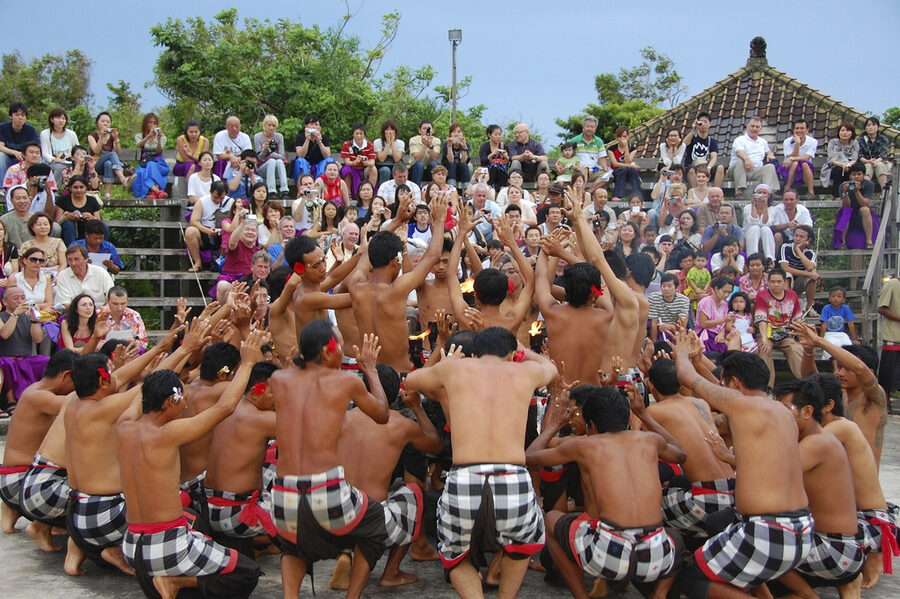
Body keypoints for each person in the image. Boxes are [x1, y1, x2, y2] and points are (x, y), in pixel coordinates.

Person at [405, 327, 555, 598]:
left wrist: (445, 362)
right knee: (521, 547)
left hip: (464, 476)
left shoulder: (455, 370)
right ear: (511, 356)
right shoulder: (525, 371)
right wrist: (525, 351)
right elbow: (550, 368)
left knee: (456, 555)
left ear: (474, 354)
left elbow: (413, 380)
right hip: (513, 475)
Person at [116, 332, 265, 599]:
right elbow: (226, 407)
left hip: (131, 545)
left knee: (197, 523)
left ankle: (171, 581)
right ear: (169, 401)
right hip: (166, 545)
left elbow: (143, 389)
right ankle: (176, 583)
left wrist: (183, 350)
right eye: (181, 398)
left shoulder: (124, 426)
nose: (185, 403)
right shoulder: (167, 434)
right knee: (247, 572)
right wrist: (248, 363)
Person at [672, 343, 814, 598]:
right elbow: (716, 388)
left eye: (725, 384)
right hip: (800, 528)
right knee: (719, 530)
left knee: (692, 577)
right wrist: (699, 359)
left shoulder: (742, 405)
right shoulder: (781, 412)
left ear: (735, 383)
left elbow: (686, 377)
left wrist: (681, 351)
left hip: (769, 531)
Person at [268, 321, 391, 599]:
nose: (343, 350)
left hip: (282, 494)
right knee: (374, 522)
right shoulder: (346, 381)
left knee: (292, 545)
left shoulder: (279, 380)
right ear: (327, 351)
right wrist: (370, 370)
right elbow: (382, 414)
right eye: (339, 344)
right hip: (327, 491)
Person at [527, 384, 685, 597]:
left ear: (591, 425)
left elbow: (530, 456)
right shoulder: (650, 440)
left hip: (609, 554)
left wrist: (555, 424)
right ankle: (659, 594)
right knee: (675, 537)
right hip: (656, 557)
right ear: (628, 418)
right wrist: (645, 415)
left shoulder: (585, 445)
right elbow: (680, 454)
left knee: (552, 518)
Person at [62, 326, 186, 575]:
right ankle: (113, 548)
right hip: (104, 515)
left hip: (75, 514)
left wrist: (161, 348)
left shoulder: (75, 404)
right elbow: (150, 387)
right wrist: (185, 349)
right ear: (102, 380)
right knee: (185, 513)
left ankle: (78, 550)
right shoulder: (102, 409)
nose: (116, 375)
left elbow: (121, 379)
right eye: (110, 371)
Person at [334, 368, 444, 588]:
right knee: (415, 493)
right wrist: (417, 408)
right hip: (371, 521)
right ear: (395, 395)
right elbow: (435, 445)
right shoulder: (401, 425)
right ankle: (390, 572)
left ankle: (345, 552)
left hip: (334, 514)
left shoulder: (341, 418)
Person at [771, 378, 866, 598]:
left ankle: (808, 595)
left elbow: (773, 475)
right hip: (836, 546)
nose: (778, 416)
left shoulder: (816, 442)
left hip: (835, 549)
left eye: (785, 409)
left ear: (807, 412)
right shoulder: (810, 438)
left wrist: (730, 457)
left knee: (758, 537)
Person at [349, 195, 447, 374]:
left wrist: (397, 220)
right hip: (399, 377)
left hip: (369, 376)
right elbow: (434, 255)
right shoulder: (396, 289)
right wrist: (440, 220)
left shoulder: (356, 285)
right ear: (396, 261)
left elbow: (369, 249)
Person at [641, 358, 736, 537]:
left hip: (707, 500)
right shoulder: (701, 404)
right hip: (735, 492)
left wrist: (640, 412)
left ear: (651, 385)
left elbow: (646, 456)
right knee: (675, 485)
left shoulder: (655, 412)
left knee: (647, 505)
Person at [201, 361, 279, 556]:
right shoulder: (262, 420)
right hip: (237, 515)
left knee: (271, 462)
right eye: (274, 393)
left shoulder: (224, 410)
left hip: (208, 508)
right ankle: (272, 543)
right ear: (255, 392)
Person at [790, 322, 888, 470]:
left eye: (848, 369)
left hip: (862, 485)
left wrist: (820, 341)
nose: (840, 373)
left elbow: (860, 368)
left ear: (871, 372)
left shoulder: (874, 399)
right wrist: (809, 349)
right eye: (840, 367)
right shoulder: (838, 394)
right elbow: (810, 378)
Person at [0, 349, 75, 535]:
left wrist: (96, 340)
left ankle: (13, 509)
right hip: (21, 481)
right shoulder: (40, 397)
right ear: (66, 375)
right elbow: (87, 402)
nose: (77, 386)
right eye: (76, 381)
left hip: (14, 479)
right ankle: (43, 525)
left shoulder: (34, 391)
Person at [755, 268, 804, 387]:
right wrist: (765, 338)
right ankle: (767, 388)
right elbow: (761, 319)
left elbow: (797, 319)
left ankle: (806, 383)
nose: (775, 284)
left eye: (778, 281)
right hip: (767, 333)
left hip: (786, 334)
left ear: (784, 282)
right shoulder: (762, 295)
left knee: (796, 349)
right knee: (763, 349)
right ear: (768, 282)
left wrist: (801, 338)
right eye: (772, 281)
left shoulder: (792, 295)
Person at [726, 116, 780, 198]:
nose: (754, 129)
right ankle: (739, 192)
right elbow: (739, 152)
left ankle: (770, 192)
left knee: (770, 167)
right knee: (741, 161)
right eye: (752, 126)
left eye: (757, 127)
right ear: (747, 127)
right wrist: (747, 159)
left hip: (755, 171)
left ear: (760, 129)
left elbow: (768, 151)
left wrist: (769, 153)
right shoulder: (740, 139)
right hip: (737, 171)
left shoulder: (763, 142)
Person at [185, 181, 233, 272]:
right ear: (210, 192)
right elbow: (193, 221)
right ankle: (198, 262)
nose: (218, 200)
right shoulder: (202, 201)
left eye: (221, 198)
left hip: (224, 234)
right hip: (205, 232)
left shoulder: (231, 202)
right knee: (190, 231)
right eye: (215, 197)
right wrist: (207, 230)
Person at [835, 162, 879, 249]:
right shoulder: (843, 186)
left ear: (863, 175)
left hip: (864, 213)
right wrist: (845, 192)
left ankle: (869, 241)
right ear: (850, 176)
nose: (856, 177)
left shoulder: (869, 185)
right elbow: (846, 205)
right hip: (849, 211)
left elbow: (864, 203)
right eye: (854, 174)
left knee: (865, 209)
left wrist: (856, 191)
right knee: (846, 211)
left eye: (859, 174)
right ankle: (842, 242)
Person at [86, 112, 129, 201]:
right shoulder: (92, 136)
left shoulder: (112, 137)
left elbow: (119, 152)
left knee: (108, 163)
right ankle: (122, 179)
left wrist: (116, 138)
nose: (105, 123)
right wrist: (101, 137)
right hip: (95, 164)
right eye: (102, 121)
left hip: (107, 166)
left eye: (108, 122)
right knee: (111, 154)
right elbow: (96, 151)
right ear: (97, 123)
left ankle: (108, 194)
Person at [779, 224, 819, 315]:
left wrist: (798, 250)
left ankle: (809, 307)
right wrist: (808, 274)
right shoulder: (785, 247)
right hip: (784, 282)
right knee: (787, 275)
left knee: (812, 274)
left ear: (808, 240)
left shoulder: (810, 253)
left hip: (799, 284)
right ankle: (788, 306)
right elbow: (785, 268)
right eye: (796, 235)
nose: (797, 239)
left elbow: (810, 267)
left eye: (801, 237)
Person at [56, 175, 103, 246]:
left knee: (104, 227)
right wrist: (66, 217)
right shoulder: (63, 200)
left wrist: (92, 218)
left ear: (86, 188)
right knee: (69, 224)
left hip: (87, 229)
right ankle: (71, 249)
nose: (78, 190)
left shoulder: (92, 200)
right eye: (75, 187)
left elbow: (99, 221)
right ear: (70, 188)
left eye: (81, 187)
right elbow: (57, 221)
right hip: (69, 231)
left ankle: (101, 249)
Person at [132, 113, 169, 199]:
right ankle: (157, 191)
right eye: (150, 122)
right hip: (145, 162)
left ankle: (154, 191)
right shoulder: (139, 135)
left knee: (151, 165)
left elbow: (159, 150)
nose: (152, 124)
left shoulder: (162, 137)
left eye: (154, 122)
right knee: (141, 172)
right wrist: (149, 135)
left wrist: (159, 139)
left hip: (158, 162)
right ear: (146, 123)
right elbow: (139, 145)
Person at [683, 112, 725, 188]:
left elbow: (714, 157)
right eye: (701, 122)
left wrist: (709, 168)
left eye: (705, 122)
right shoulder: (692, 138)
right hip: (692, 167)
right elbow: (684, 144)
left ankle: (716, 192)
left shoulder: (712, 141)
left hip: (705, 167)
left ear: (710, 124)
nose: (703, 124)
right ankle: (694, 193)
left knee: (720, 168)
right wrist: (693, 129)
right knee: (691, 169)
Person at [40, 107, 79, 188]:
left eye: (63, 118)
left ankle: (56, 190)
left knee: (61, 167)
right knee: (58, 166)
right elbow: (45, 153)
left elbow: (78, 149)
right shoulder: (45, 133)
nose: (61, 121)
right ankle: (52, 190)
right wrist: (55, 159)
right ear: (52, 119)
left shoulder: (71, 134)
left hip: (68, 162)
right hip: (51, 162)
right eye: (58, 118)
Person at [0, 102, 39, 183]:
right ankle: (2, 187)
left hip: (25, 158)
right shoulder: (3, 127)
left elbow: (35, 147)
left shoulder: (30, 130)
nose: (20, 118)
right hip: (8, 158)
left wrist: (25, 156)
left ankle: (35, 184)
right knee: (1, 156)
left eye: (23, 115)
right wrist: (15, 153)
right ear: (11, 116)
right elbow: (1, 146)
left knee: (39, 159)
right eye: (17, 115)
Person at [778, 118, 817, 197]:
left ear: (807, 130)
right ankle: (787, 187)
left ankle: (811, 192)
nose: (799, 131)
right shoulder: (787, 141)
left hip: (805, 169)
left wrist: (792, 159)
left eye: (802, 128)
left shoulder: (813, 141)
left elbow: (807, 157)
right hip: (789, 168)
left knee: (804, 164)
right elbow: (789, 156)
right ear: (793, 130)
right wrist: (797, 144)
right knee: (795, 163)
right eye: (797, 128)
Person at [253, 114, 289, 198]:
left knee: (279, 161)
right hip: (262, 167)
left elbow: (282, 156)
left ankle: (285, 191)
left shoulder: (279, 137)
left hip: (277, 168)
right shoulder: (258, 137)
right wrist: (264, 150)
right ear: (264, 125)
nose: (271, 128)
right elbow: (259, 158)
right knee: (272, 161)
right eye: (269, 125)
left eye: (274, 126)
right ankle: (271, 191)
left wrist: (270, 152)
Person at [877, 274, 900, 404]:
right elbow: (881, 308)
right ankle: (886, 403)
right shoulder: (891, 284)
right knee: (887, 376)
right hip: (893, 335)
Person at [568, 116, 610, 187]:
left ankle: (589, 192)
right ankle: (582, 193)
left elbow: (602, 158)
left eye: (592, 127)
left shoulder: (599, 141)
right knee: (585, 168)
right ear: (583, 128)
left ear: (595, 129)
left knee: (609, 176)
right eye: (588, 126)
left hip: (594, 171)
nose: (590, 129)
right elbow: (566, 154)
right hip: (579, 170)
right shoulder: (574, 141)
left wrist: (605, 167)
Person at [697, 276, 735, 353]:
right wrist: (724, 320)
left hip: (720, 333)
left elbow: (724, 325)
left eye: (729, 292)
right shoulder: (705, 302)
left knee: (735, 335)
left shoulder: (725, 304)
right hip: (708, 334)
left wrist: (722, 333)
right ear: (716, 289)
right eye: (724, 291)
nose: (727, 295)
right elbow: (703, 324)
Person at [822, 121, 860, 199]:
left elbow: (854, 158)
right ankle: (837, 196)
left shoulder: (855, 143)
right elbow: (831, 159)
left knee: (857, 169)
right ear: (839, 132)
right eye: (842, 130)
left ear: (852, 133)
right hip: (835, 166)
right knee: (838, 171)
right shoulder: (832, 143)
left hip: (850, 165)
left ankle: (854, 194)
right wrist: (843, 165)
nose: (844, 133)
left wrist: (848, 165)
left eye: (847, 130)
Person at [648, 273, 691, 341]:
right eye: (664, 286)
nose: (666, 289)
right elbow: (654, 321)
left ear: (676, 288)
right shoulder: (654, 297)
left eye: (669, 286)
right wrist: (654, 344)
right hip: (660, 330)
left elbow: (682, 323)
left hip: (676, 331)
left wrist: (670, 327)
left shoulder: (684, 300)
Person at [339, 123, 377, 199]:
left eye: (361, 134)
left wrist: (367, 163)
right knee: (347, 169)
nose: (359, 136)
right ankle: (348, 194)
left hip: (364, 169)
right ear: (353, 134)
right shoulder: (347, 144)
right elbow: (347, 161)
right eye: (356, 133)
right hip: (352, 168)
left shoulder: (369, 145)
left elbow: (372, 162)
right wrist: (355, 162)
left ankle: (370, 192)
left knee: (373, 169)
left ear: (364, 135)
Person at [292, 113, 334, 180]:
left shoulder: (324, 138)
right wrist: (307, 139)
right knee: (300, 161)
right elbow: (300, 156)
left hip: (319, 167)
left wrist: (319, 141)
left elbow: (327, 156)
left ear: (320, 128)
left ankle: (318, 185)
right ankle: (304, 186)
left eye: (316, 124)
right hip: (305, 166)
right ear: (306, 127)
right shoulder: (300, 137)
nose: (314, 127)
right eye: (311, 124)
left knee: (330, 160)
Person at [608, 125, 643, 201]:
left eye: (624, 136)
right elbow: (615, 164)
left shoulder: (633, 149)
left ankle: (637, 195)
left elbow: (628, 161)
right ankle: (618, 195)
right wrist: (631, 165)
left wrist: (626, 148)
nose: (622, 139)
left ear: (628, 137)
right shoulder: (611, 149)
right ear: (617, 138)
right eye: (620, 137)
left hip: (629, 173)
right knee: (622, 170)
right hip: (617, 173)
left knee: (632, 170)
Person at [743, 183, 776, 261]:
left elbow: (766, 223)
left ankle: (770, 259)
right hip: (749, 232)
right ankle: (752, 257)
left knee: (766, 229)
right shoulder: (747, 208)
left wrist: (765, 206)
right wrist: (754, 205)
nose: (761, 195)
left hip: (764, 234)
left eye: (764, 193)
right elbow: (753, 222)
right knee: (755, 228)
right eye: (759, 192)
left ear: (769, 196)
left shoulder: (772, 209)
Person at [859, 116, 893, 190]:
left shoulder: (883, 139)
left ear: (878, 127)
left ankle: (885, 192)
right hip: (866, 163)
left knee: (879, 165)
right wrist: (869, 161)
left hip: (881, 163)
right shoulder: (861, 140)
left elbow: (883, 154)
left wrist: (876, 161)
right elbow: (860, 156)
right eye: (868, 125)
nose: (870, 127)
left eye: (873, 125)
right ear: (865, 128)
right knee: (868, 166)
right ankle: (864, 192)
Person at [409, 120, 441, 186]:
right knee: (420, 164)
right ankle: (416, 189)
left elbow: (434, 158)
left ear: (433, 130)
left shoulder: (436, 140)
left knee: (434, 164)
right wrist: (424, 145)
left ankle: (436, 188)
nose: (426, 131)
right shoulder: (413, 140)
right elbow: (417, 158)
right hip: (415, 169)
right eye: (424, 129)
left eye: (429, 129)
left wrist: (430, 146)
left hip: (429, 170)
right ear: (419, 131)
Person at [373, 119, 404, 185]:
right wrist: (388, 144)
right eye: (387, 129)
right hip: (382, 166)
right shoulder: (377, 142)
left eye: (392, 129)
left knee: (399, 171)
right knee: (385, 170)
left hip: (394, 165)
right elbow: (381, 159)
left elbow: (397, 159)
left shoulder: (400, 143)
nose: (389, 132)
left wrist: (392, 143)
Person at [479, 124, 509, 191]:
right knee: (494, 165)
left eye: (499, 134)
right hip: (489, 170)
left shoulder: (504, 146)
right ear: (490, 135)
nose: (498, 137)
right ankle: (490, 186)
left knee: (501, 165)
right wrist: (492, 154)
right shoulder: (484, 147)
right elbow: (483, 162)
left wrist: (506, 157)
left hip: (502, 171)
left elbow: (508, 163)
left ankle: (502, 187)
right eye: (496, 135)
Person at [442, 123, 471, 188]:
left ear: (462, 134)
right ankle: (452, 187)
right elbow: (451, 160)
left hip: (462, 169)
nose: (456, 134)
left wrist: (464, 147)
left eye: (459, 132)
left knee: (464, 165)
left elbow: (463, 161)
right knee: (452, 164)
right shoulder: (446, 144)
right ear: (450, 134)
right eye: (453, 132)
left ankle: (467, 188)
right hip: (449, 168)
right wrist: (449, 147)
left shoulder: (466, 144)